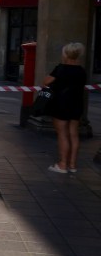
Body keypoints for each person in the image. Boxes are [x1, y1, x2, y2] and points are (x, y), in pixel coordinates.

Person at [44, 42, 87, 174]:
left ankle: (62, 164)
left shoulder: (61, 68)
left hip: (61, 104)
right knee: (74, 134)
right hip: (77, 104)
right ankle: (72, 165)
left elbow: (46, 81)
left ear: (66, 54)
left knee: (62, 134)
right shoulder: (81, 71)